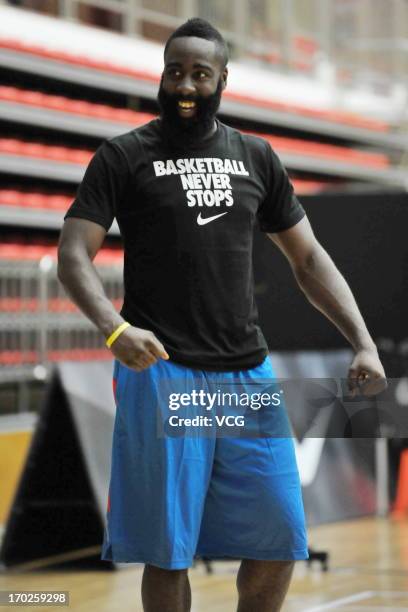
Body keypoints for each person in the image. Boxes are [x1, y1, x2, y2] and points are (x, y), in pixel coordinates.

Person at [57, 17, 387, 612]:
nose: (185, 83)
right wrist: (114, 327)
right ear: (162, 75)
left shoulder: (256, 157)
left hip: (245, 377)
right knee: (169, 552)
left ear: (223, 80)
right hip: (164, 373)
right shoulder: (123, 156)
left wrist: (362, 340)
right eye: (175, 70)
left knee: (281, 539)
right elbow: (73, 255)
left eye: (200, 73)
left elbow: (308, 259)